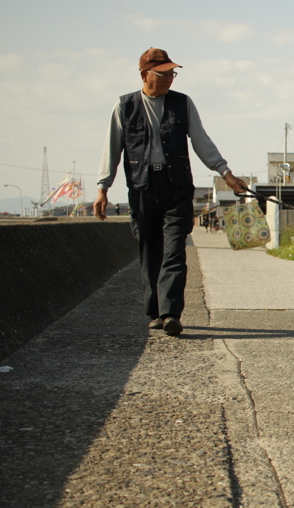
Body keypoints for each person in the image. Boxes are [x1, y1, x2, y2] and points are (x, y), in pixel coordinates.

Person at [93, 48, 250, 336]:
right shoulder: (124, 106)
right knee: (149, 250)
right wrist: (103, 188)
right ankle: (154, 311)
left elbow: (202, 141)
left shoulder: (183, 104)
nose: (169, 80)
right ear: (145, 75)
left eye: (172, 74)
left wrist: (225, 173)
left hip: (177, 186)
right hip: (142, 188)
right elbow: (112, 148)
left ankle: (170, 313)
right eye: (163, 74)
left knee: (175, 249)